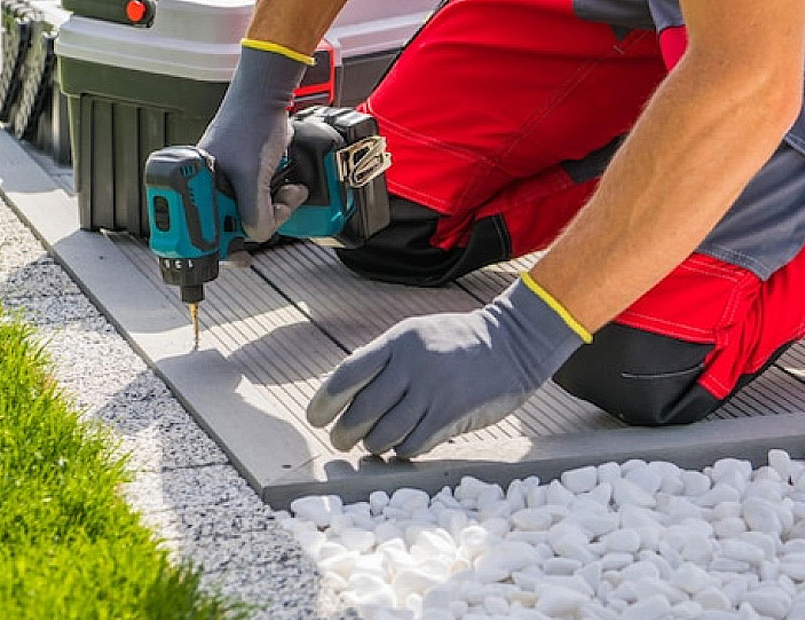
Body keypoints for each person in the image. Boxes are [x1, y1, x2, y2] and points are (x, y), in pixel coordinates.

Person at [201, 0, 805, 458]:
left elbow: (748, 76)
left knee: (630, 355)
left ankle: (695, 164)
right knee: (380, 209)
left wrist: (519, 332)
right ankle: (665, 152)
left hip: (771, 50)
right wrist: (263, 86)